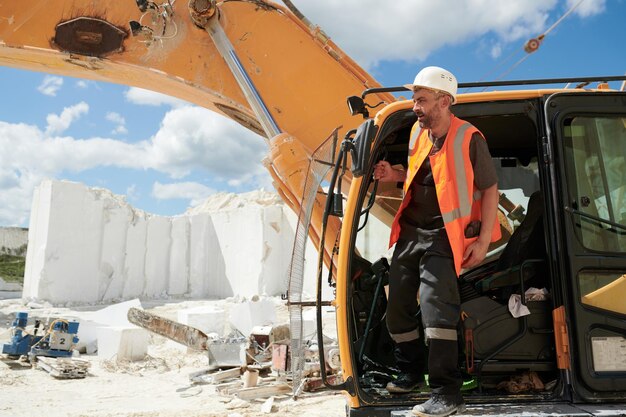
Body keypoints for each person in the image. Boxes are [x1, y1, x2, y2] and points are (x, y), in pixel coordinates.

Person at [374, 66, 500, 417]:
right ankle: (410, 371)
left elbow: (490, 189)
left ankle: (447, 392)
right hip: (410, 232)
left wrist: (484, 241)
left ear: (444, 101)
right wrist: (393, 174)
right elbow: (421, 176)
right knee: (397, 307)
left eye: (421, 100)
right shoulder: (417, 132)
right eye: (414, 99)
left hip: (446, 237)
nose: (414, 106)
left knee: (435, 310)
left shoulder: (469, 137)